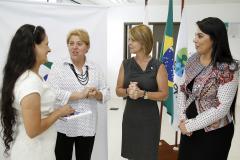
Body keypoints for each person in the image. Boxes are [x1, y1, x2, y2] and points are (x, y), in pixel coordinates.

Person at [0, 24, 75, 160]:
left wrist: (54, 111)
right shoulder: (30, 83)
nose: (49, 49)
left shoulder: (30, 77)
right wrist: (59, 113)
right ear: (33, 47)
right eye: (46, 45)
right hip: (33, 153)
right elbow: (33, 130)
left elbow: (37, 112)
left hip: (39, 150)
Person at [178, 17, 239, 160]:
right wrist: (182, 118)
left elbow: (221, 108)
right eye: (195, 35)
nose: (194, 39)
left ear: (215, 39)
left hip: (213, 134)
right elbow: (182, 89)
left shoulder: (228, 68)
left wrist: (191, 125)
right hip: (188, 128)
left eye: (200, 36)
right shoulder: (192, 59)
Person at [47, 28, 110, 160]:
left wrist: (97, 94)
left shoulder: (95, 68)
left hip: (87, 125)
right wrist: (79, 95)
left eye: (79, 44)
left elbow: (107, 92)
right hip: (65, 125)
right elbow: (51, 92)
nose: (74, 47)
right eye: (71, 43)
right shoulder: (58, 67)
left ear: (87, 48)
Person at [116, 24, 168, 160]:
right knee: (132, 155)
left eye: (132, 40)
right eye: (129, 40)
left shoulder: (158, 66)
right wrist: (128, 91)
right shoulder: (125, 64)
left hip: (149, 120)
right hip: (130, 118)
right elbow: (118, 90)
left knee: (148, 155)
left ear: (143, 41)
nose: (129, 43)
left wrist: (143, 94)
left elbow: (164, 94)